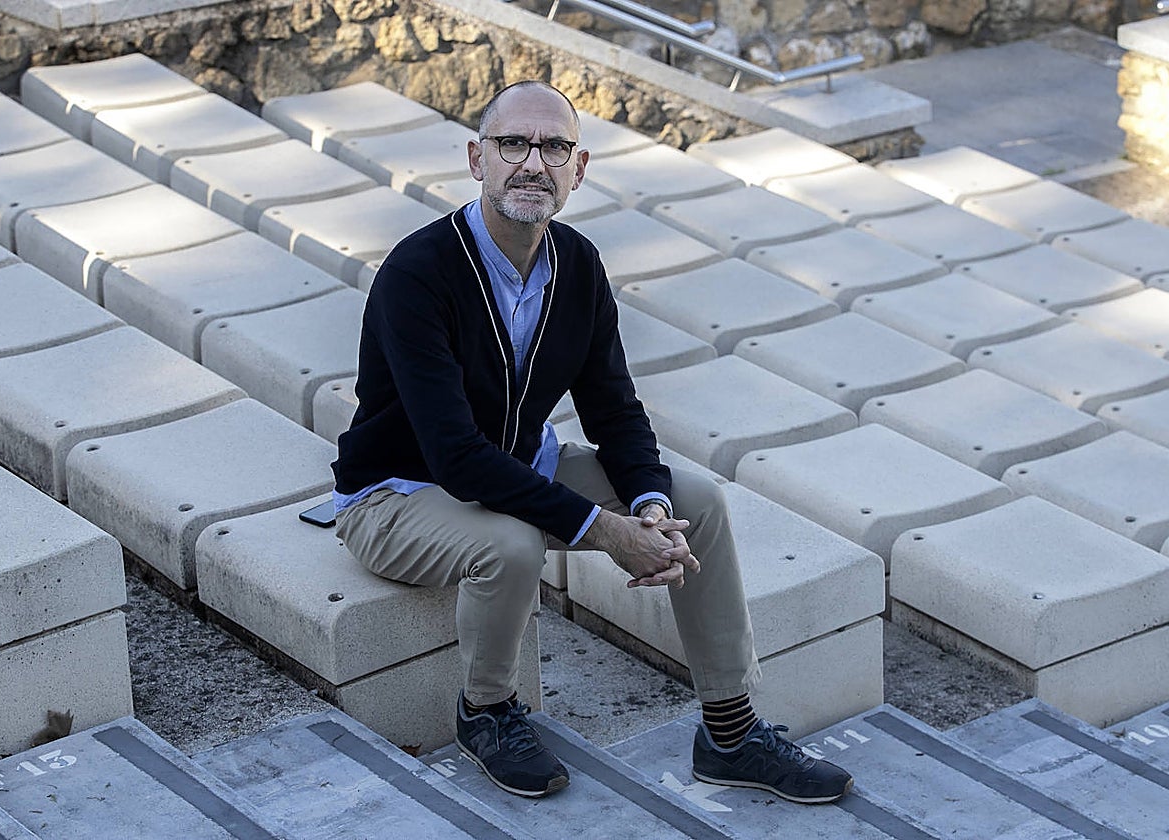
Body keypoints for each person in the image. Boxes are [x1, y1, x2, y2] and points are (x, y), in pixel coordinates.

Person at [331, 79, 853, 804]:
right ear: (477, 158)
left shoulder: (575, 263)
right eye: (513, 143)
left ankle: (729, 733)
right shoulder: (419, 273)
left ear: (579, 169)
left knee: (693, 498)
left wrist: (644, 507)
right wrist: (601, 532)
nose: (532, 163)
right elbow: (453, 455)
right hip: (399, 495)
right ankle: (485, 713)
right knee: (510, 542)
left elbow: (614, 407)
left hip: (513, 472)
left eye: (553, 146)